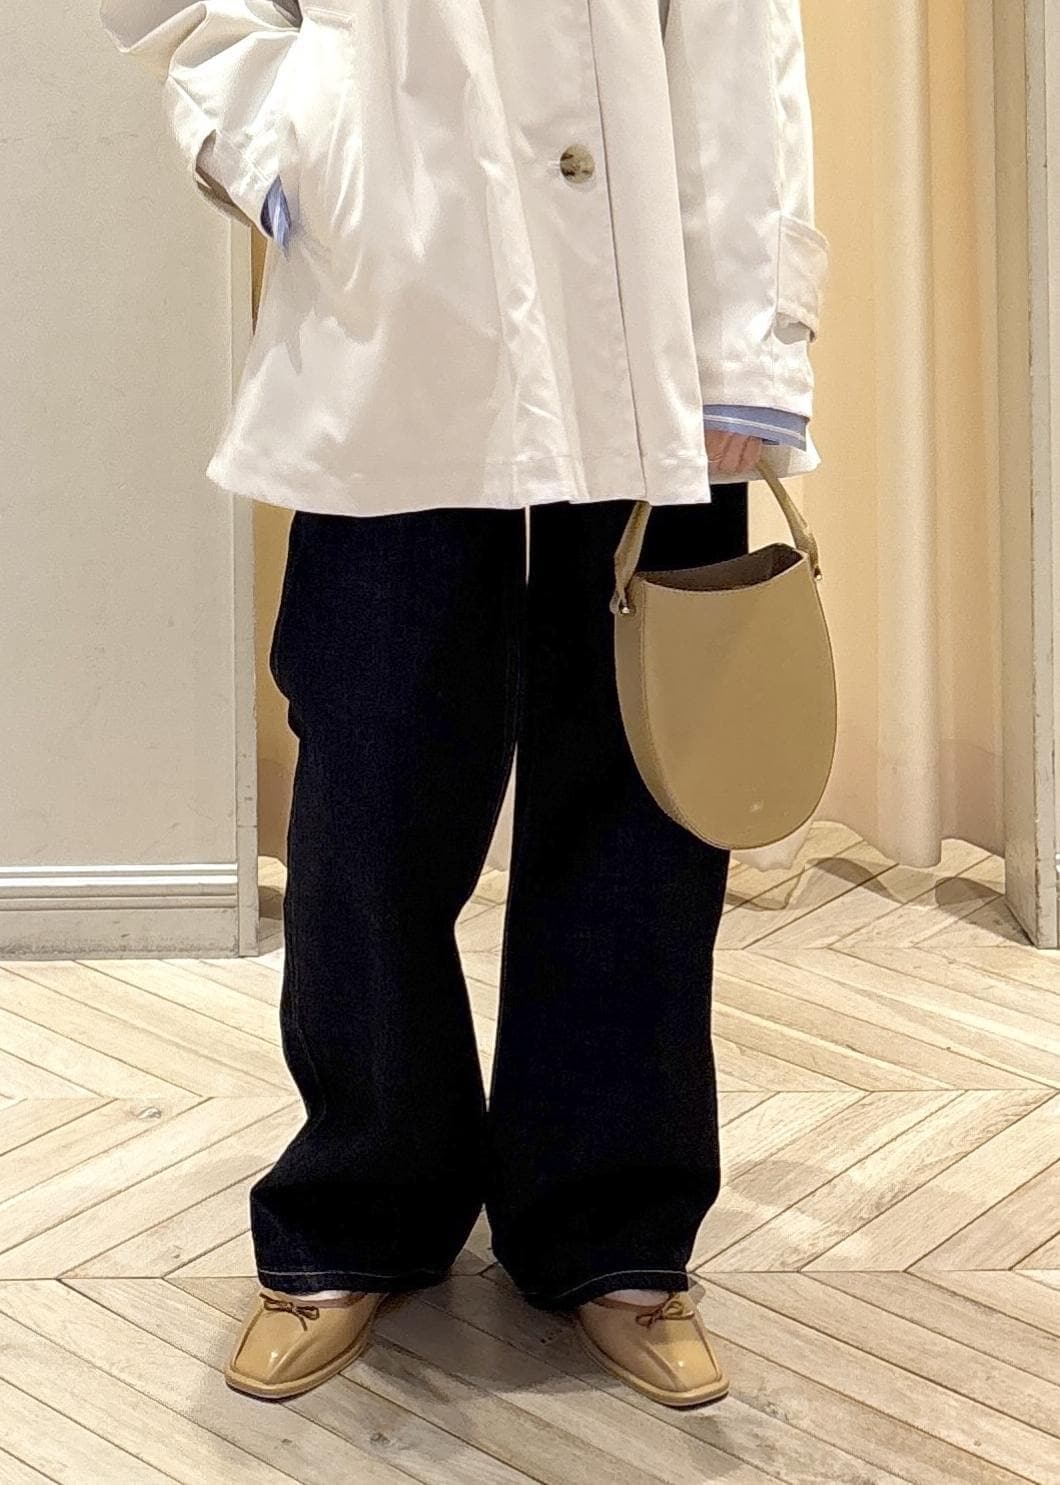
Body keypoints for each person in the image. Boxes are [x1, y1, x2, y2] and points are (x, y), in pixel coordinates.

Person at [99, 0, 828, 1409]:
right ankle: (359, 1205)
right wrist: (293, 139)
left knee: (644, 785)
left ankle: (613, 1224)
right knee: (372, 774)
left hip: (653, 315)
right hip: (398, 295)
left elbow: (742, 38)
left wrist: (753, 345)